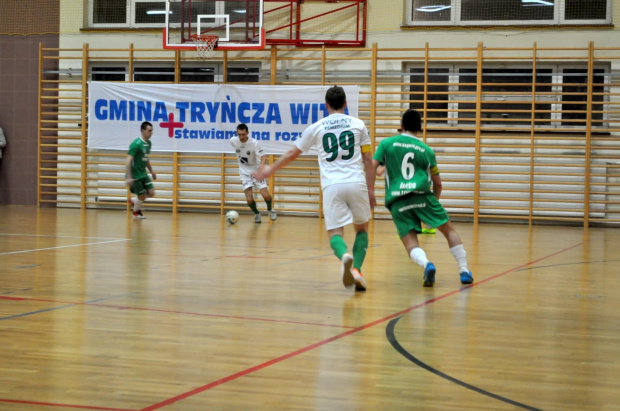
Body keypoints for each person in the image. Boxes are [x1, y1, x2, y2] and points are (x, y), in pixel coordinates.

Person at [254, 86, 375, 291]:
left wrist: (269, 170)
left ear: (326, 105)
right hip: (356, 182)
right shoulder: (359, 125)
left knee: (335, 233)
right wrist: (371, 191)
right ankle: (357, 270)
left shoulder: (317, 127)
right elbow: (368, 160)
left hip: (332, 185)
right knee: (361, 228)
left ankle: (344, 255)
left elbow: (292, 153)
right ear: (345, 104)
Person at [369, 109, 473, 287]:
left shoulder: (386, 144)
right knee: (449, 231)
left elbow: (373, 168)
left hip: (398, 201)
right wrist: (435, 203)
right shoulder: (427, 151)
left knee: (410, 243)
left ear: (401, 126)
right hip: (423, 197)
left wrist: (369, 190)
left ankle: (427, 264)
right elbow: (438, 183)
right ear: (420, 127)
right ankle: (464, 270)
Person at [230, 123, 277, 224]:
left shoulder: (254, 143)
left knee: (266, 195)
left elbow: (264, 156)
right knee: (249, 199)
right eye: (239, 134)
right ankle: (256, 213)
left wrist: (260, 169)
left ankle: (270, 209)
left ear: (247, 133)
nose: (241, 137)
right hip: (244, 173)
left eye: (243, 134)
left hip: (256, 171)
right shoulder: (233, 141)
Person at [126, 121, 157, 219]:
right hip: (135, 175)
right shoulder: (136, 144)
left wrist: (151, 171)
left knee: (151, 193)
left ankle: (136, 200)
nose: (151, 132)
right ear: (143, 131)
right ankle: (136, 211)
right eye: (149, 130)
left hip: (143, 173)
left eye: (152, 131)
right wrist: (129, 177)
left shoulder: (149, 143)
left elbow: (146, 158)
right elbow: (128, 161)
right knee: (142, 196)